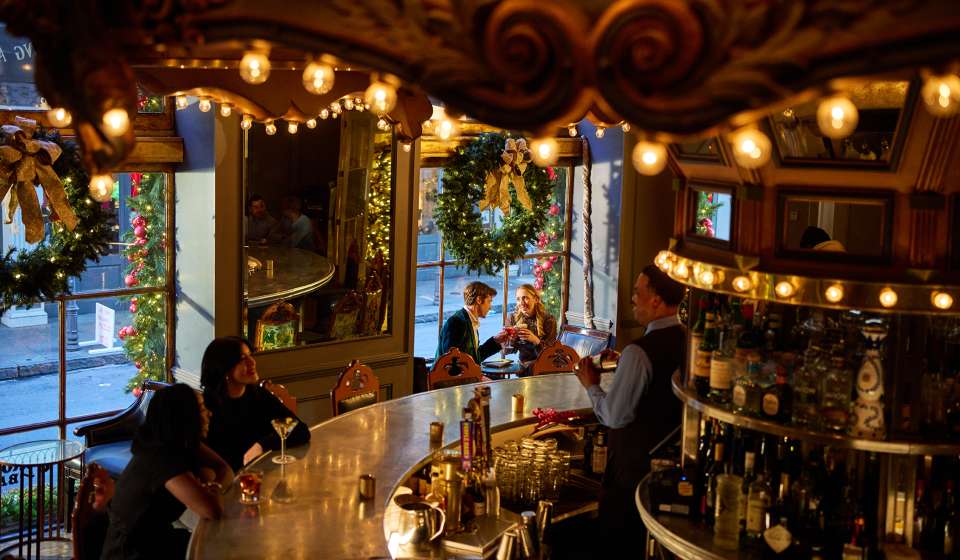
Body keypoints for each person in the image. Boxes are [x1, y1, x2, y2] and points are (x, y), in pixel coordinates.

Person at [574, 264, 686, 555]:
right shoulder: (690, 341)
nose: (633, 300)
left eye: (638, 293)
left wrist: (591, 385)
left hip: (631, 484)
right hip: (672, 477)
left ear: (656, 301)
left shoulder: (640, 353)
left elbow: (613, 415)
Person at [100, 384, 234, 560]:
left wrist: (211, 487)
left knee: (222, 544)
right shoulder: (160, 457)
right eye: (201, 409)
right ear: (186, 417)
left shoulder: (178, 441)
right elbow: (211, 510)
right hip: (132, 553)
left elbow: (225, 469)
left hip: (157, 540)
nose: (209, 413)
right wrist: (213, 488)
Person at [200, 336, 311, 471]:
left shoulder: (259, 396)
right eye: (242, 359)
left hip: (259, 477)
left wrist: (262, 445)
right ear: (224, 369)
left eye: (250, 355)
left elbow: (301, 430)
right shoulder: (205, 406)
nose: (252, 362)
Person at [436, 281, 509, 365]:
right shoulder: (456, 322)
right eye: (489, 301)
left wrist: (495, 341)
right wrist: (479, 377)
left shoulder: (470, 321)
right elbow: (450, 363)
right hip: (451, 378)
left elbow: (474, 357)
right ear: (478, 300)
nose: (490, 307)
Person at [506, 283, 558, 363]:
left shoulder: (548, 320)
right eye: (518, 299)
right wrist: (512, 339)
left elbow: (550, 354)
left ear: (536, 299)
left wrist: (536, 341)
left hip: (544, 365)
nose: (521, 303)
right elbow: (505, 351)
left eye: (525, 298)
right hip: (523, 365)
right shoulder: (512, 318)